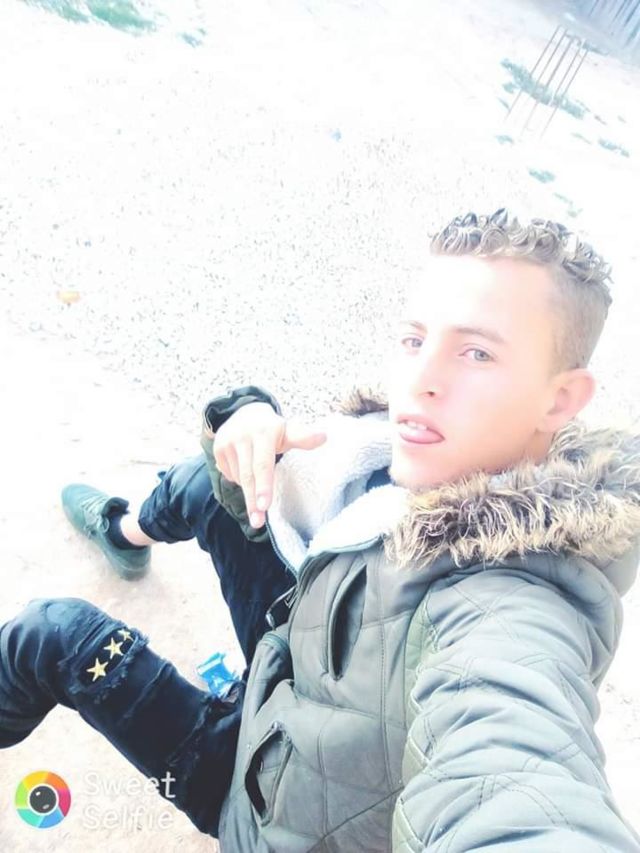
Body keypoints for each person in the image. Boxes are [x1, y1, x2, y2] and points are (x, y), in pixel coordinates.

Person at [2, 209, 640, 851]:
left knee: (52, 635)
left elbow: (513, 780)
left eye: (477, 353)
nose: (421, 381)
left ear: (560, 399)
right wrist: (246, 419)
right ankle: (125, 534)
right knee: (215, 485)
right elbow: (280, 487)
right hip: (285, 692)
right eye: (415, 340)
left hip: (259, 810)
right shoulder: (405, 458)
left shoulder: (510, 610)